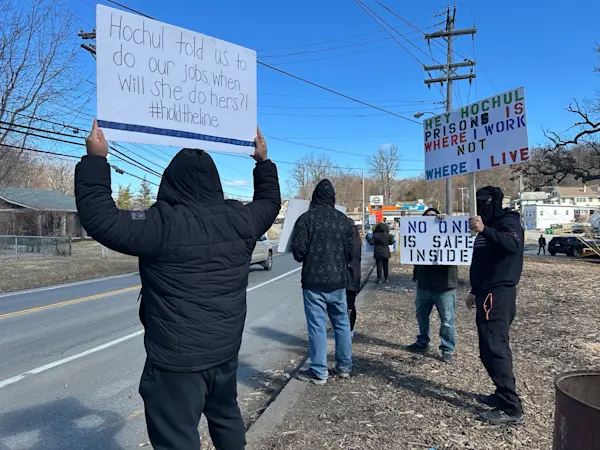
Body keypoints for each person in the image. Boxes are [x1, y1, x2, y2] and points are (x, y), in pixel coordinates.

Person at [75, 120, 281, 450]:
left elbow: (101, 218)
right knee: (227, 417)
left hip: (176, 363)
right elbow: (270, 203)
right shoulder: (240, 221)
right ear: (215, 183)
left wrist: (96, 160)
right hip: (226, 352)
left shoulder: (162, 224)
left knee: (177, 438)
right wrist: (263, 162)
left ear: (170, 182)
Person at [466, 186, 525, 426]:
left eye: (484, 203)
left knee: (495, 347)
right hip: (485, 293)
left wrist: (485, 230)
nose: (480, 208)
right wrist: (474, 290)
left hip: (498, 294)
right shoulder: (487, 227)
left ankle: (512, 407)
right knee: (486, 348)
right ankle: (501, 395)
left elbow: (511, 246)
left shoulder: (507, 222)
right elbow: (483, 262)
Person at [291, 180, 354, 385]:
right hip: (338, 282)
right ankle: (344, 367)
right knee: (342, 324)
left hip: (313, 282)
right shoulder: (344, 221)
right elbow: (352, 252)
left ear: (314, 197)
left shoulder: (306, 219)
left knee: (317, 327)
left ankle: (319, 372)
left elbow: (298, 253)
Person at [406, 208, 457, 364]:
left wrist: (446, 220)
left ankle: (447, 349)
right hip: (424, 285)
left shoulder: (449, 233)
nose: (430, 219)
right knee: (421, 316)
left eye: (433, 216)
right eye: (427, 217)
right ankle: (422, 341)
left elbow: (460, 236)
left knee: (447, 320)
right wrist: (416, 276)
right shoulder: (419, 237)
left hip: (445, 285)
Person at [346, 223, 362, 338]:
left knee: (346, 305)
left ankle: (349, 329)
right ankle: (350, 329)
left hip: (347, 275)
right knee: (351, 304)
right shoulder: (357, 240)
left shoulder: (348, 241)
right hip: (355, 275)